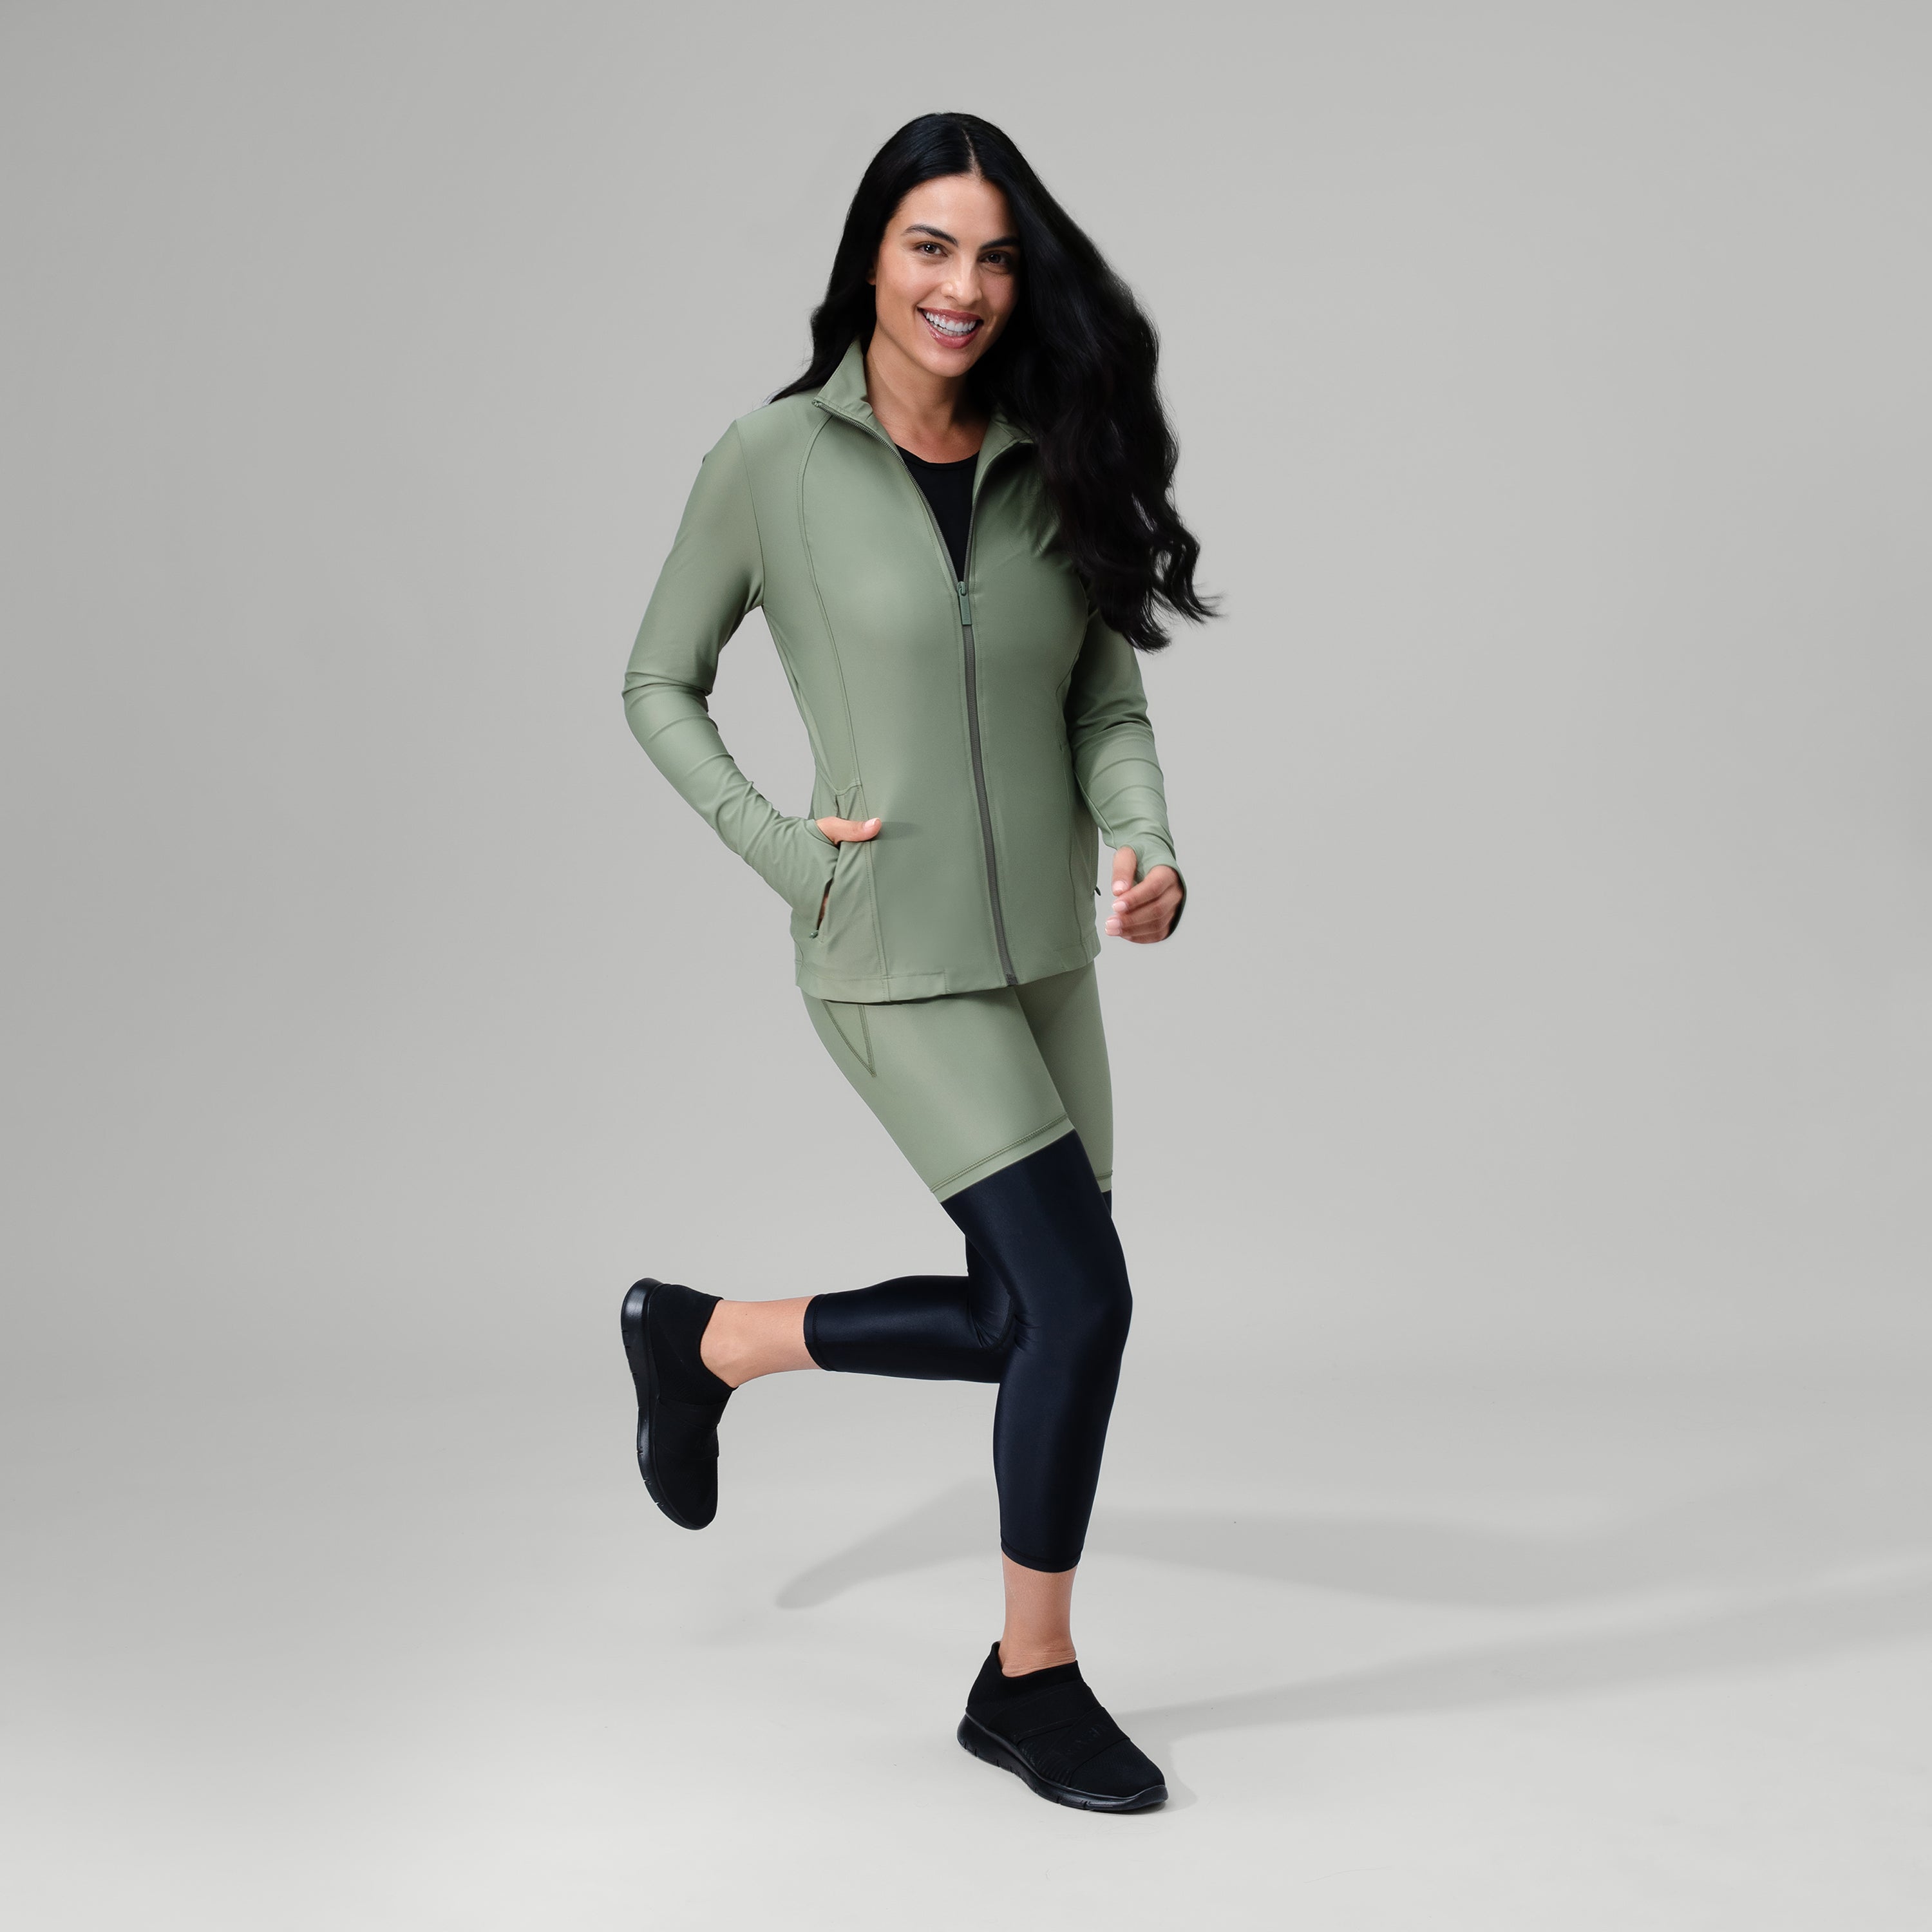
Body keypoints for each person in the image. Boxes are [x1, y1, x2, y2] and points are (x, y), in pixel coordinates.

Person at [618, 111, 1210, 1812]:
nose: (965, 286)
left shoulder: (1052, 453)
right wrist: (787, 853)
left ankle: (708, 1341)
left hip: (1048, 960)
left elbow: (1102, 702)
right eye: (931, 246)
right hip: (890, 958)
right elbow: (657, 681)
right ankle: (1033, 1683)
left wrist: (1147, 842)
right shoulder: (770, 463)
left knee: (1032, 1313)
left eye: (997, 256)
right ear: (871, 259)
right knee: (1082, 1306)